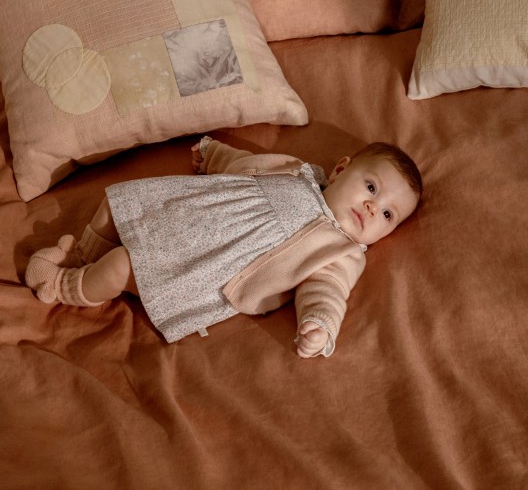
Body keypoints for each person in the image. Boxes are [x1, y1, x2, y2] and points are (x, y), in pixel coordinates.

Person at [25, 136, 422, 358]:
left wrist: (320, 323)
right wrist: (214, 154)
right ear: (339, 169)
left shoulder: (341, 252)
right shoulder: (298, 171)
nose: (373, 208)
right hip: (184, 213)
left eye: (388, 215)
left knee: (120, 267)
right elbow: (247, 165)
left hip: (203, 267)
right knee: (116, 207)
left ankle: (64, 284)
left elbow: (328, 291)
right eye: (372, 187)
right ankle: (82, 256)